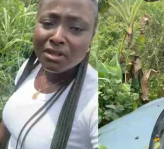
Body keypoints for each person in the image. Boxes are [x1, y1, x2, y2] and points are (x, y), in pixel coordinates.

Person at [0, 0, 99, 148]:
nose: (57, 37)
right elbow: (10, 124)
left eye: (76, 28)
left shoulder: (93, 103)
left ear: (91, 37)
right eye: (48, 23)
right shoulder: (30, 68)